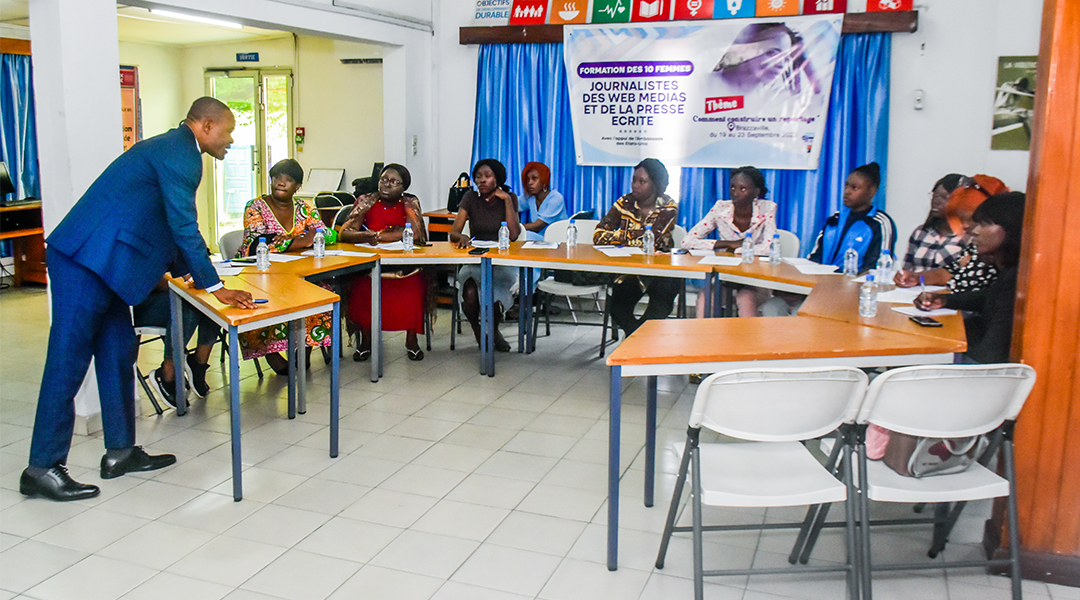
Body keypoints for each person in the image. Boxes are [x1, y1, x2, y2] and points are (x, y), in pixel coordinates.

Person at [21, 97, 255, 502]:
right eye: (228, 130)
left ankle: (120, 452)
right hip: (85, 260)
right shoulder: (180, 154)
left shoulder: (176, 149)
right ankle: (41, 467)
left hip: (109, 265)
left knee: (116, 354)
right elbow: (183, 224)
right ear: (204, 125)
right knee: (68, 359)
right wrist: (215, 287)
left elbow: (167, 223)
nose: (231, 140)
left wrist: (200, 277)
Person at [235, 159, 337, 374]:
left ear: (298, 186)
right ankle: (273, 357)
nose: (281, 183)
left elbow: (326, 233)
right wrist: (301, 240)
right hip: (260, 274)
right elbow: (256, 242)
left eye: (288, 180)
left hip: (298, 271)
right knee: (261, 301)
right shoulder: (255, 207)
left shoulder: (303, 208)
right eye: (276, 178)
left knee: (320, 292)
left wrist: (293, 240)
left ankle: (304, 352)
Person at [914, 192, 1026, 364]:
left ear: (1012, 228)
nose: (974, 231)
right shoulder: (1008, 272)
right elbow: (990, 298)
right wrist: (945, 300)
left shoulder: (1017, 280)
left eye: (985, 224)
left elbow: (989, 355)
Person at [338, 164, 430, 361]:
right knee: (361, 286)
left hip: (404, 266)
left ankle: (412, 341)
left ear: (403, 187)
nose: (387, 185)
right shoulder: (366, 201)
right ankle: (366, 342)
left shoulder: (410, 203)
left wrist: (381, 237)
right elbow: (344, 232)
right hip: (370, 265)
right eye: (384, 180)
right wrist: (364, 235)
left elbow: (416, 233)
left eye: (394, 182)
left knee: (413, 285)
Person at [594, 158, 680, 336]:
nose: (635, 185)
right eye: (634, 180)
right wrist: (629, 236)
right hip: (629, 269)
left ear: (656, 184)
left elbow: (651, 241)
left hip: (661, 270)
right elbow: (598, 235)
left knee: (661, 307)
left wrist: (618, 237)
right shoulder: (624, 203)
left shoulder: (668, 206)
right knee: (617, 308)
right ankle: (639, 341)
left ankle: (636, 342)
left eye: (642, 181)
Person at [681, 166, 777, 317]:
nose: (735, 193)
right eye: (732, 187)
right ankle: (704, 339)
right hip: (724, 279)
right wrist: (728, 244)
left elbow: (768, 248)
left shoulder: (767, 208)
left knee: (746, 299)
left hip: (754, 280)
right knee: (705, 299)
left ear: (756, 192)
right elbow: (687, 241)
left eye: (742, 188)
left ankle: (747, 340)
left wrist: (738, 250)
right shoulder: (721, 208)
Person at [450, 159, 521, 352]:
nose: (481, 180)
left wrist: (506, 199)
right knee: (470, 291)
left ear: (497, 179)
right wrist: (462, 235)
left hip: (501, 260)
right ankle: (478, 331)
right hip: (475, 258)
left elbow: (513, 235)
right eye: (478, 177)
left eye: (487, 176)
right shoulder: (470, 198)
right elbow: (454, 231)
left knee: (495, 297)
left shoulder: (510, 197)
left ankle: (494, 331)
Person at [895, 174, 1010, 294]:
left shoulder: (1001, 259)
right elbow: (950, 271)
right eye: (959, 219)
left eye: (973, 220)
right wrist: (917, 278)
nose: (965, 226)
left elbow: (974, 296)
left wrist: (946, 300)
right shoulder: (976, 249)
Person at [133, 279, 220, 407]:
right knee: (188, 302)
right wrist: (180, 280)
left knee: (212, 297)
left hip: (171, 291)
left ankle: (198, 363)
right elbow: (139, 283)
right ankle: (167, 373)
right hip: (141, 302)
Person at [807, 162, 896, 274]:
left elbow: (877, 267)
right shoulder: (835, 219)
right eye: (846, 186)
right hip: (822, 280)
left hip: (854, 285)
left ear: (871, 191)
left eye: (854, 188)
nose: (847, 192)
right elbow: (816, 256)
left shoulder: (879, 223)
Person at [898, 174, 965, 273]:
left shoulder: (967, 237)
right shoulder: (921, 232)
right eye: (935, 196)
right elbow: (906, 269)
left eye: (944, 197)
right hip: (914, 287)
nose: (936, 201)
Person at [519, 162, 568, 241]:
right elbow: (513, 204)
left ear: (544, 181)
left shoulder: (556, 198)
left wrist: (514, 228)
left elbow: (537, 227)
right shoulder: (530, 197)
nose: (529, 183)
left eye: (534, 178)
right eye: (527, 179)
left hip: (558, 241)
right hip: (540, 240)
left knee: (524, 236)